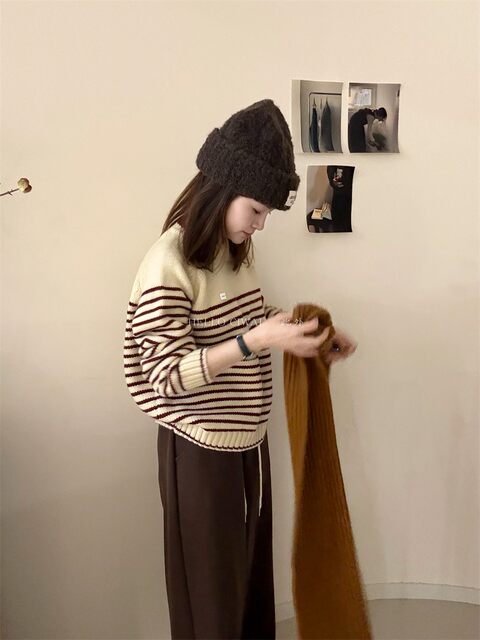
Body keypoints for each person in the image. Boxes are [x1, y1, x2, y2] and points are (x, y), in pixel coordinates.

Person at [123, 98, 357, 640]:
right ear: (221, 190)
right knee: (211, 601)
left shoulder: (233, 254)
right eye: (255, 210)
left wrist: (310, 335)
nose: (260, 224)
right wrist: (257, 342)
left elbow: (249, 320)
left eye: (266, 214)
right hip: (199, 451)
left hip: (246, 444)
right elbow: (164, 376)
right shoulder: (168, 263)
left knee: (247, 590)